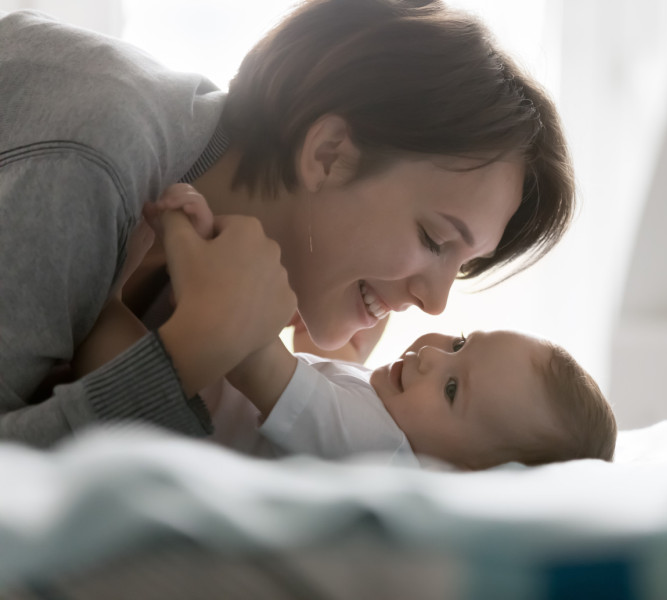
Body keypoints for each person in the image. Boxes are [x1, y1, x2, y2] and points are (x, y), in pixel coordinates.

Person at [0, 0, 574, 447]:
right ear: (328, 155)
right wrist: (185, 354)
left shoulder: (215, 257)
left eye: (462, 265)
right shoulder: (91, 163)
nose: (436, 302)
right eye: (434, 239)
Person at [75, 188, 615, 470]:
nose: (432, 358)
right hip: (191, 401)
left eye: (452, 389)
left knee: (102, 322)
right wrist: (338, 356)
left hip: (172, 426)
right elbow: (322, 419)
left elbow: (259, 364)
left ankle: (98, 274)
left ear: (460, 474)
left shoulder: (384, 452)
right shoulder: (386, 436)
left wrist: (223, 269)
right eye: (460, 344)